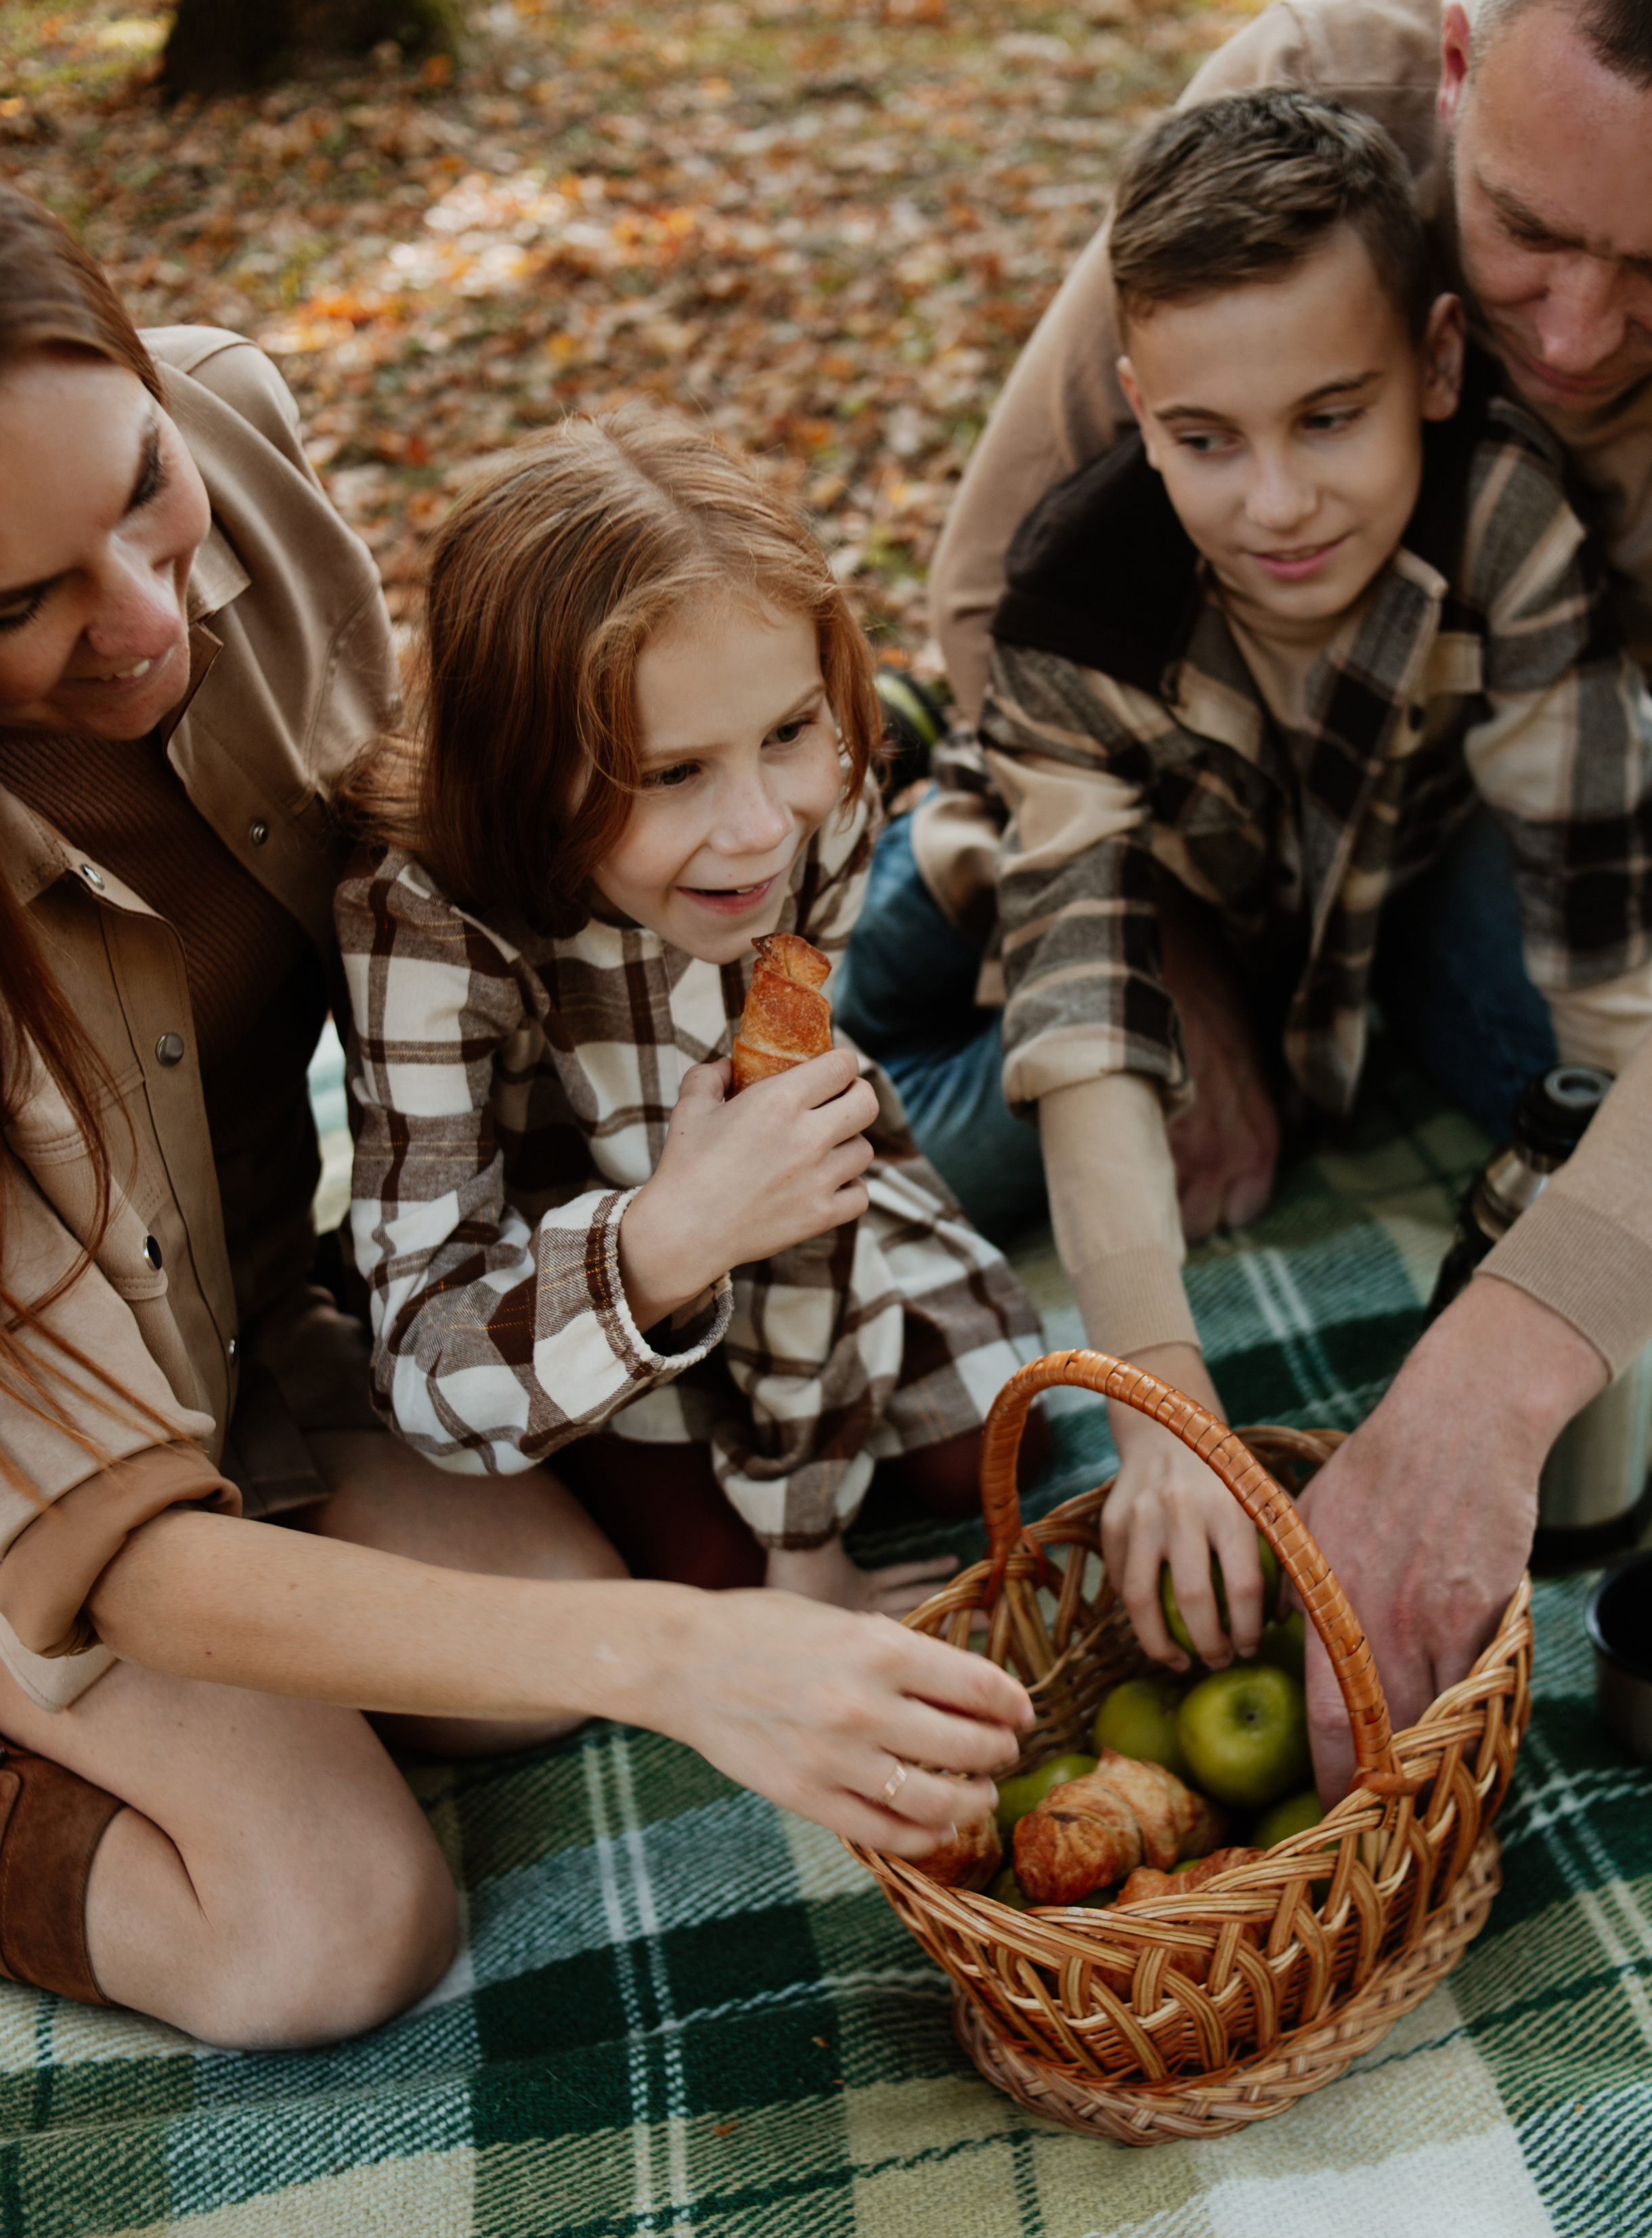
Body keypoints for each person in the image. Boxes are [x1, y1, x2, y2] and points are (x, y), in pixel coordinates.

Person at [0, 183, 1031, 2046]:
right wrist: (693, 1648)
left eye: (145, 484)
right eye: (16, 599)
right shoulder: (433, 915)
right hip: (41, 1452)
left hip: (244, 1312)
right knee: (331, 1932)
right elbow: (115, 1528)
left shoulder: (237, 425)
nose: (152, 617)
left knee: (523, 1662)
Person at [915, 0, 1652, 1794]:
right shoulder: (1299, 114)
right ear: (1454, 72)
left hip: (1549, 784)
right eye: (1523, 231)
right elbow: (994, 622)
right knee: (965, 1041)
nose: (1572, 332)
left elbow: (1604, 859)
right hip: (1197, 783)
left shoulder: (1516, 550)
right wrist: (1171, 950)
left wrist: (1572, 1286)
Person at [335, 406, 1043, 1615]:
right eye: (671, 772)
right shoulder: (419, 918)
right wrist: (669, 1240)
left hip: (781, 1218)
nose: (761, 828)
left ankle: (956, 913)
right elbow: (426, 1365)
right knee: (717, 1571)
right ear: (519, 766)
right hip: (571, 1268)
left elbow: (801, 1200)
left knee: (987, 1453)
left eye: (787, 731)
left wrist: (806, 1522)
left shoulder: (817, 811)